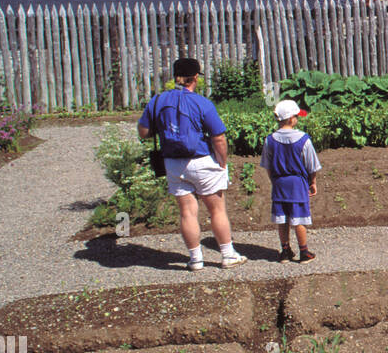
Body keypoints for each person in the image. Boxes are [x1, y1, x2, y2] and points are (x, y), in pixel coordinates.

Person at [137, 57, 246, 271]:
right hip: (202, 160)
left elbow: (144, 132)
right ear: (195, 77)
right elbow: (219, 138)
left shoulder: (157, 101)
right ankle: (227, 255)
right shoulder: (201, 102)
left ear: (175, 77)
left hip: (173, 164)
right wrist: (222, 162)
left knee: (187, 211)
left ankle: (195, 259)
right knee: (216, 210)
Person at [260, 99, 321, 264]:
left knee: (283, 218)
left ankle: (285, 251)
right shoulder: (303, 139)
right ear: (291, 119)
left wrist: (273, 180)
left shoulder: (270, 140)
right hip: (297, 184)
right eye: (296, 116)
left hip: (279, 183)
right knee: (299, 219)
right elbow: (312, 165)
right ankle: (304, 252)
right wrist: (312, 182)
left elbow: (267, 165)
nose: (297, 119)